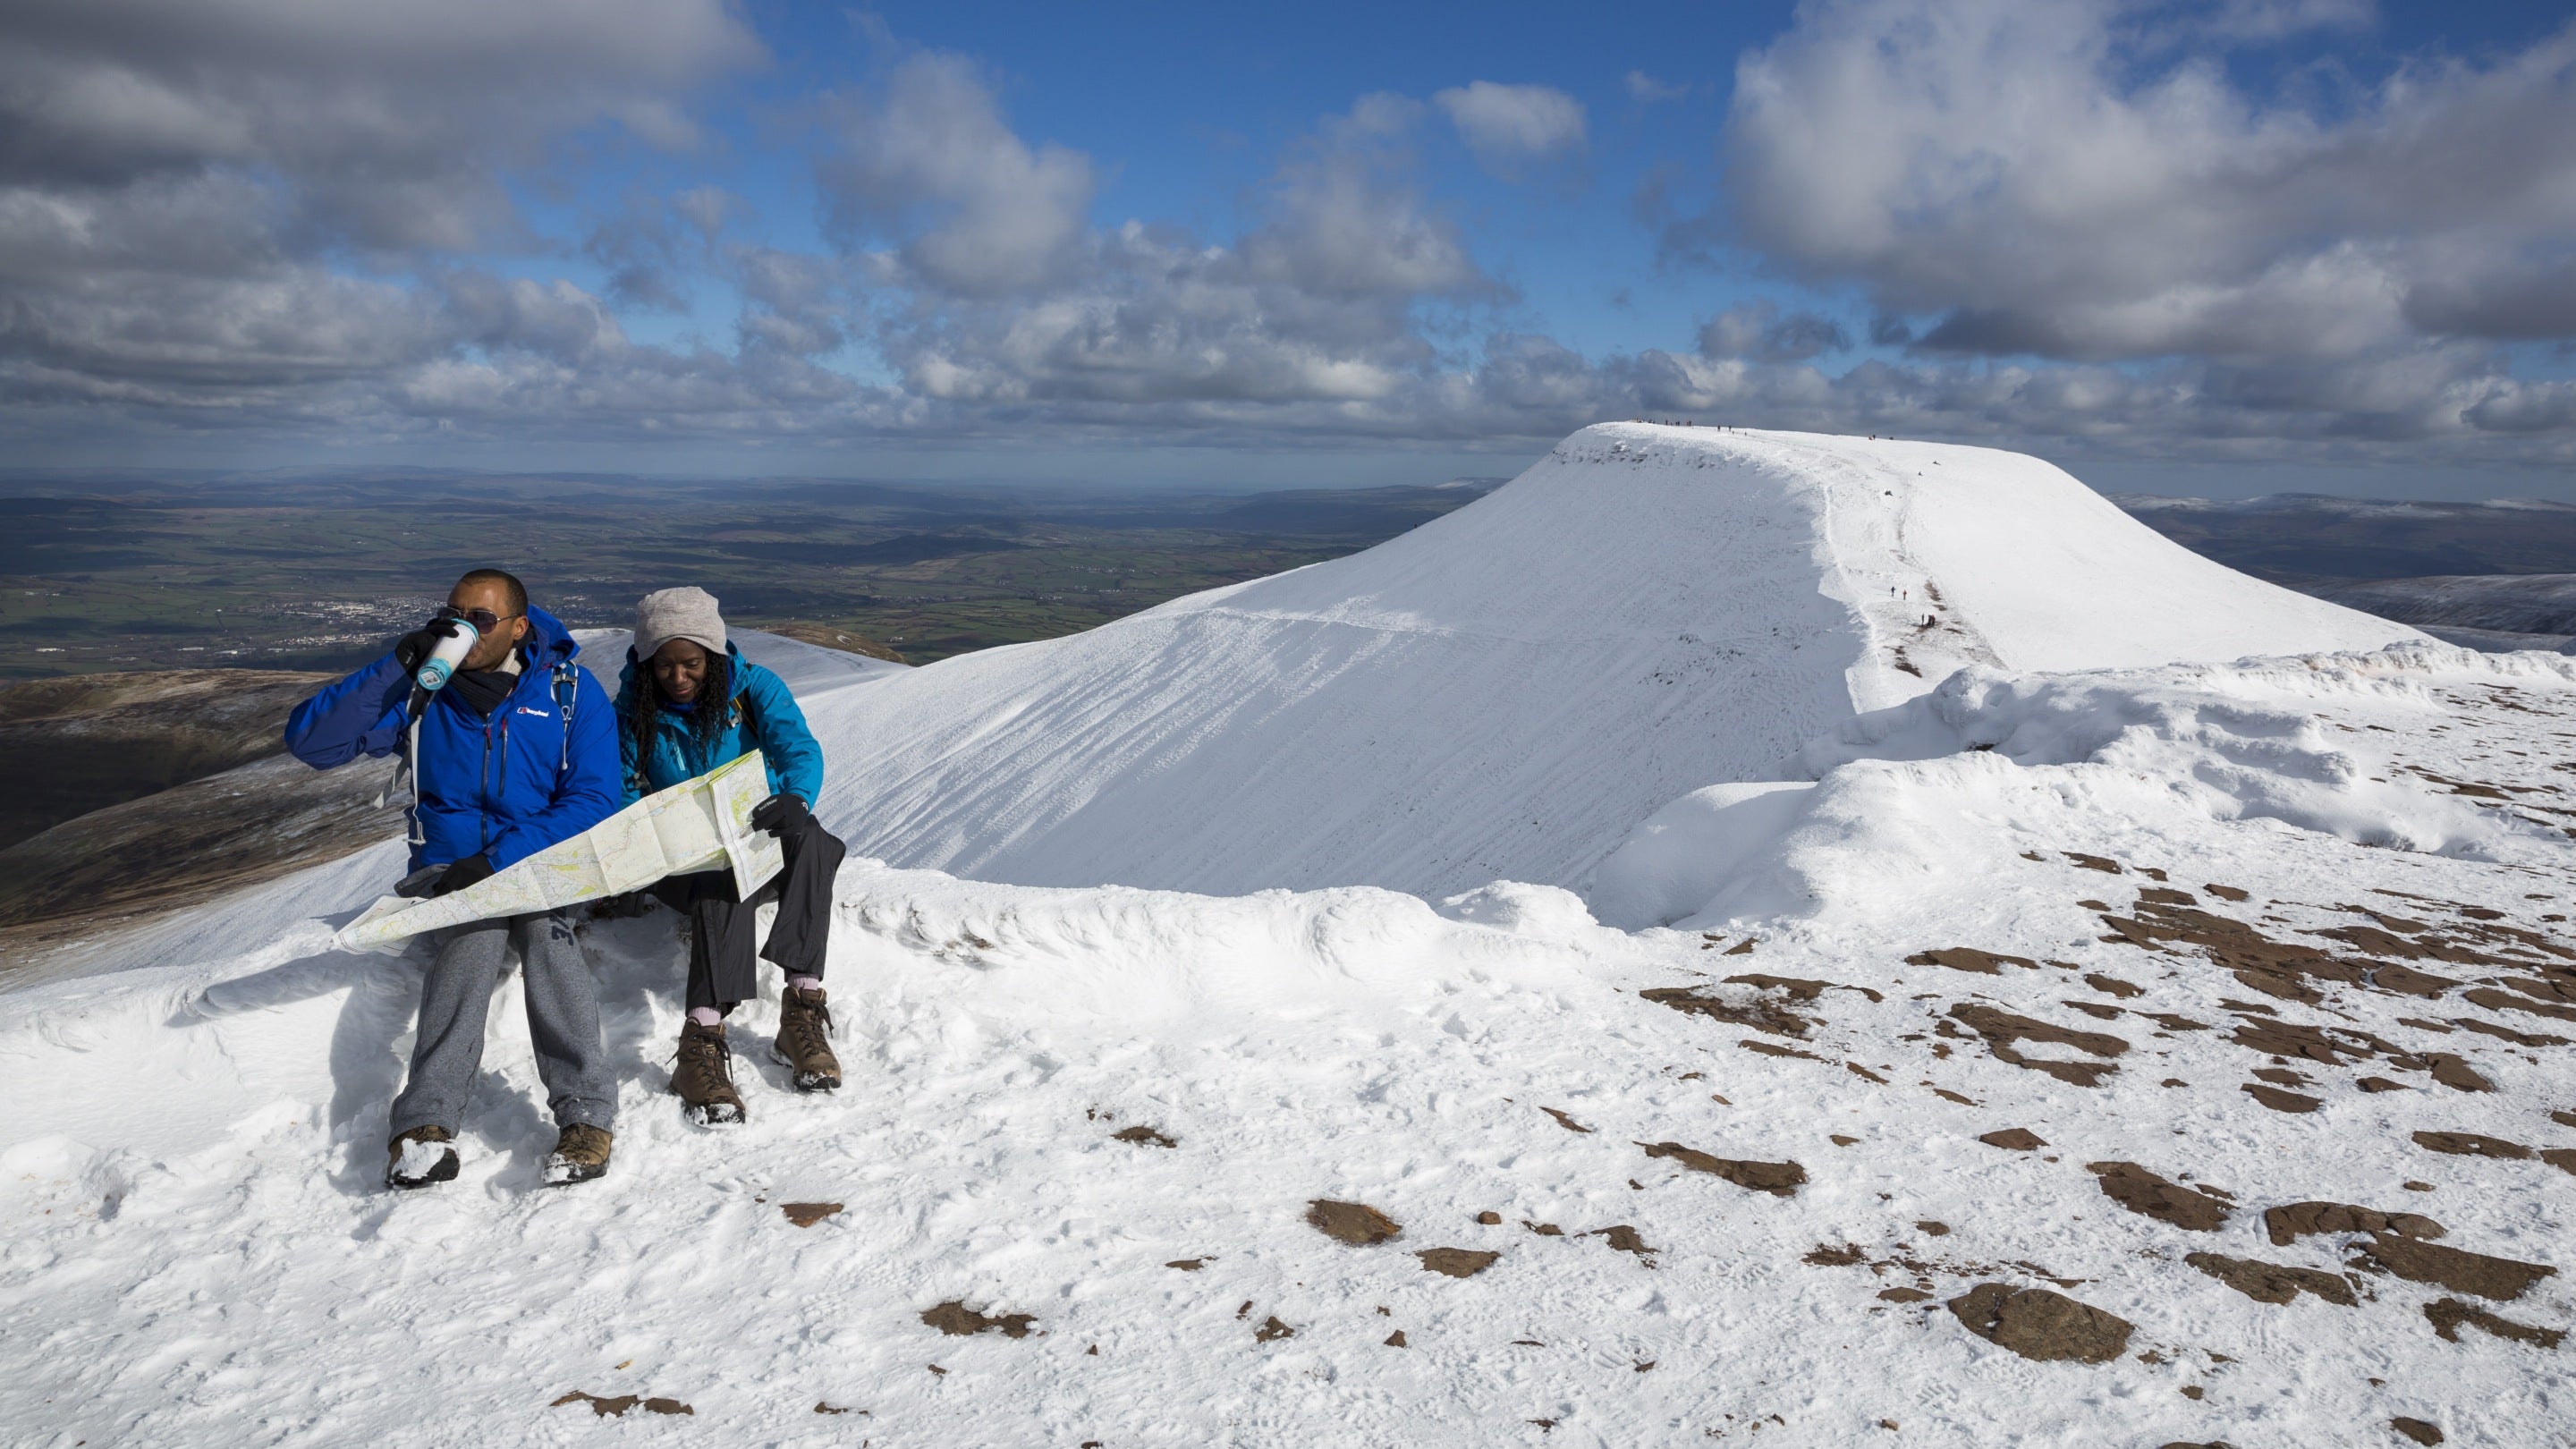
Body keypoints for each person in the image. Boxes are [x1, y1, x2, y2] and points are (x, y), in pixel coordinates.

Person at [285, 569, 623, 1190]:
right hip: (446, 871)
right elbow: (312, 743)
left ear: (520, 628)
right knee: (472, 938)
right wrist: (396, 666)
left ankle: (587, 1117)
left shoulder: (569, 691)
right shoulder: (424, 691)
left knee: (548, 937)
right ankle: (423, 1128)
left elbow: (597, 797)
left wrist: (499, 858)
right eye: (454, 614)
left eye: (482, 619)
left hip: (538, 862)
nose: (465, 629)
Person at [614, 587, 846, 1126]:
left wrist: (795, 797)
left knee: (815, 841)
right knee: (725, 876)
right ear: (646, 664)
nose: (678, 677)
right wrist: (643, 844)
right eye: (664, 665)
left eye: (691, 663)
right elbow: (622, 788)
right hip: (678, 860)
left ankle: (801, 1007)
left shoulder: (753, 688)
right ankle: (702, 1037)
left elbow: (797, 748)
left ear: (713, 656)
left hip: (750, 832)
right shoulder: (631, 710)